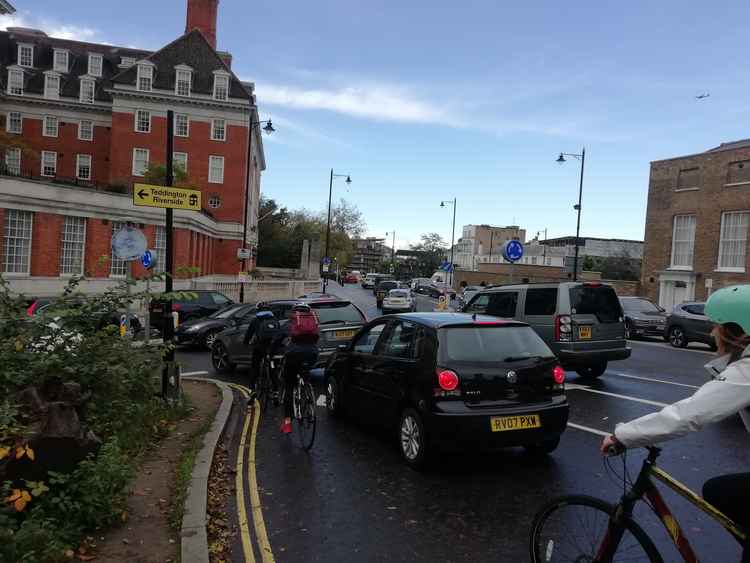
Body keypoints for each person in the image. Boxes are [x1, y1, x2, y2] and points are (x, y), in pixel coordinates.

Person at [600, 285, 750, 561]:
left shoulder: (747, 370)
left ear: (735, 330)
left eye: (717, 326)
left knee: (722, 492)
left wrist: (624, 436)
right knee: (722, 491)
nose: (712, 332)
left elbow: (691, 413)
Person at [279, 305, 319, 434]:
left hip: (294, 355)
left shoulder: (291, 321)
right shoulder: (313, 320)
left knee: (289, 386)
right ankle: (307, 393)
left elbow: (280, 338)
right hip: (312, 354)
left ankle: (287, 422)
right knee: (305, 373)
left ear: (294, 313)